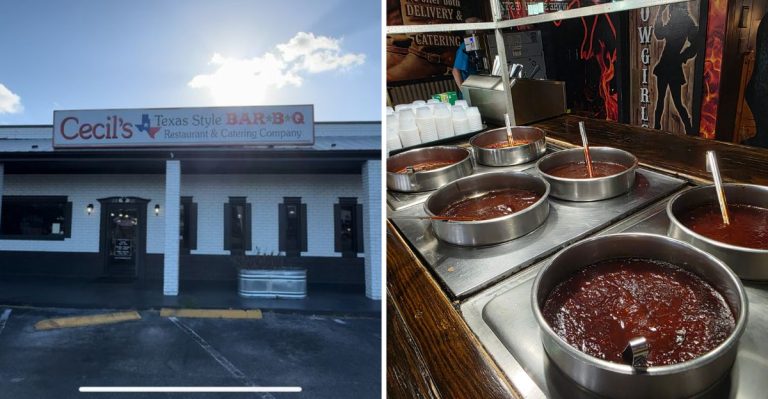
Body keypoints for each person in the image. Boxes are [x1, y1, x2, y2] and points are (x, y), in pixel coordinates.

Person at [653, 4, 698, 134]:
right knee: (662, 99)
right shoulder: (675, 21)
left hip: (672, 65)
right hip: (666, 64)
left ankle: (689, 130)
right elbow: (659, 34)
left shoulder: (686, 22)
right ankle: (656, 127)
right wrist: (660, 12)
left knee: (677, 102)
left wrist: (683, 57)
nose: (671, 11)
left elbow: (695, 44)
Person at [452, 17, 483, 91]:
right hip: (471, 89)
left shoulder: (481, 43)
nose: (483, 31)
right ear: (475, 30)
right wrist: (464, 92)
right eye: (481, 29)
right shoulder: (466, 45)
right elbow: (455, 71)